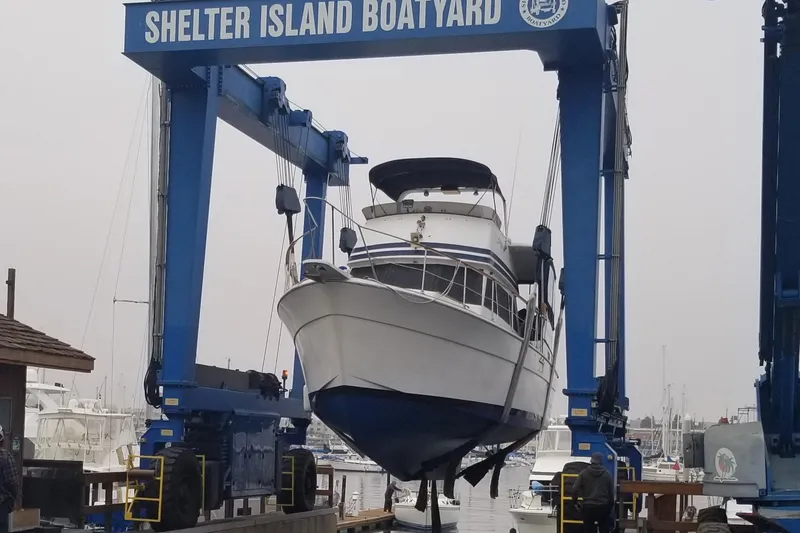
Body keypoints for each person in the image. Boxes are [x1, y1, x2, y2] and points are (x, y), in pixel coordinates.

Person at [571, 452, 615, 533]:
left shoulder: (583, 473)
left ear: (591, 461)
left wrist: (575, 502)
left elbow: (574, 489)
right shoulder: (607, 475)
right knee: (604, 529)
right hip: (603, 507)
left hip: (588, 507)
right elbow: (611, 493)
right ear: (601, 462)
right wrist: (610, 506)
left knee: (589, 529)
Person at [0, 426, 21, 533]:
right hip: (2, 506)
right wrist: (17, 500)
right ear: (2, 440)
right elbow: (12, 483)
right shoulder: (5, 457)